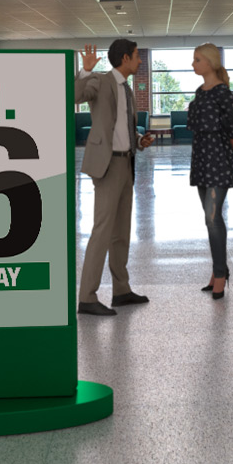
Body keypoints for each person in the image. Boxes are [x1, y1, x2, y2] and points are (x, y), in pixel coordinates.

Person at [76, 39, 156, 316]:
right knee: (102, 230)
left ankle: (121, 290)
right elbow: (76, 96)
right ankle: (87, 296)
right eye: (136, 56)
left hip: (126, 162)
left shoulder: (127, 88)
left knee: (121, 232)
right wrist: (85, 71)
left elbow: (120, 127)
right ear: (124, 58)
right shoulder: (100, 80)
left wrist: (138, 139)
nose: (140, 60)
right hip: (107, 165)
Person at [187, 43, 233, 300]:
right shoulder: (200, 92)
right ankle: (218, 270)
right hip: (200, 160)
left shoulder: (224, 94)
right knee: (210, 219)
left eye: (197, 60)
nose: (193, 64)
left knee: (212, 217)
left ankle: (220, 275)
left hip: (219, 161)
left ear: (209, 63)